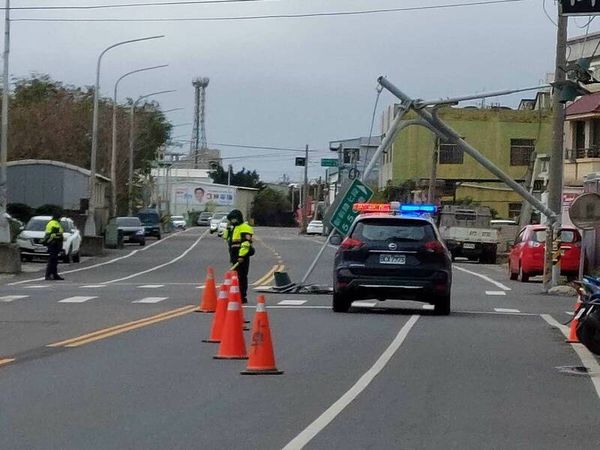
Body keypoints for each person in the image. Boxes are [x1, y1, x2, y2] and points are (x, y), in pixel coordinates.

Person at [223, 209, 254, 303]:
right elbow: (225, 237)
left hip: (242, 255)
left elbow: (246, 243)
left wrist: (241, 256)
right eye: (231, 219)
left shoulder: (245, 227)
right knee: (235, 276)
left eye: (234, 219)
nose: (232, 221)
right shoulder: (233, 227)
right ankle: (235, 294)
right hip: (233, 254)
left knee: (242, 276)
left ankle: (242, 296)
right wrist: (228, 229)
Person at [44, 212, 64, 281]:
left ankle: (55, 274)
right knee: (52, 260)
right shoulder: (53, 223)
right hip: (53, 243)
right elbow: (54, 234)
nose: (60, 219)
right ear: (57, 217)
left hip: (56, 244)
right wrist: (59, 237)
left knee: (55, 260)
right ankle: (48, 275)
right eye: (60, 217)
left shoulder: (55, 223)